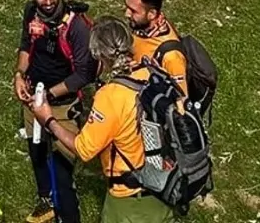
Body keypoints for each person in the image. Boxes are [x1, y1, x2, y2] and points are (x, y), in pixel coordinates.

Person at [22, 17, 175, 221]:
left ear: (97, 54)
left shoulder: (111, 96)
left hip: (129, 199)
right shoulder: (153, 72)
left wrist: (48, 119)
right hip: (164, 188)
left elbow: (84, 149)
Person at [15, 0, 94, 223]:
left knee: (62, 171)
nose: (47, 2)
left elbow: (83, 75)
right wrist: (19, 75)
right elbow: (26, 46)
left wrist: (48, 95)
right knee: (36, 150)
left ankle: (69, 217)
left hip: (62, 104)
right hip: (33, 96)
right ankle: (45, 200)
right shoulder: (31, 12)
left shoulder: (77, 27)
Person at [123, 0, 187, 95]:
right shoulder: (142, 27)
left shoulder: (172, 57)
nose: (126, 14)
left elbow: (180, 103)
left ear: (152, 14)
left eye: (133, 11)